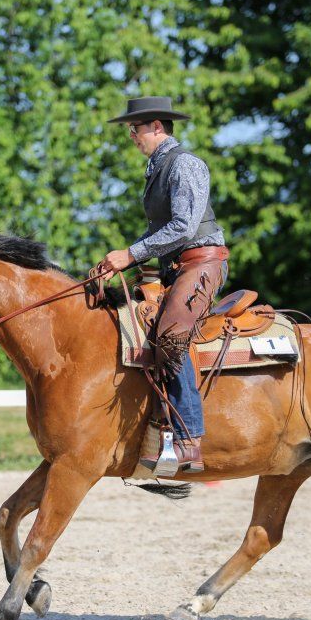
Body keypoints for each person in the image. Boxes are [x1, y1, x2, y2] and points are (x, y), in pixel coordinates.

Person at [96, 96, 229, 473]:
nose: (131, 136)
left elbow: (184, 228)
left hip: (202, 265)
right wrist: (119, 261)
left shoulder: (184, 164)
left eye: (134, 129)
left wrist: (131, 254)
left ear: (156, 126)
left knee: (170, 335)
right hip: (174, 267)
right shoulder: (158, 168)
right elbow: (161, 231)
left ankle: (188, 440)